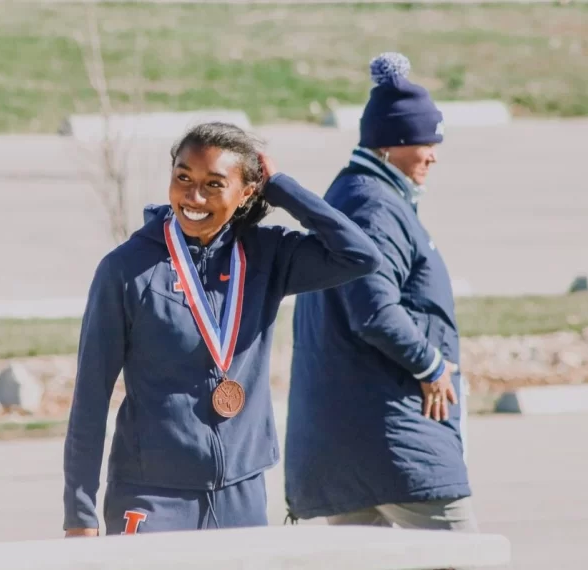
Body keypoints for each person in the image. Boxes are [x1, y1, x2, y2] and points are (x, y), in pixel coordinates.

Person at [63, 121, 384, 536]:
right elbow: (90, 397)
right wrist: (80, 515)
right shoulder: (126, 270)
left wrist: (282, 187)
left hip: (242, 493)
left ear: (247, 191)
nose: (193, 197)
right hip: (153, 495)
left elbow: (360, 256)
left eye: (214, 184)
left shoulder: (267, 256)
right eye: (183, 178)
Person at [283, 52, 478, 532]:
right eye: (423, 141)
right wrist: (430, 365)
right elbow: (373, 310)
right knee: (462, 554)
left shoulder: (359, 196)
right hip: (392, 438)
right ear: (388, 145)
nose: (433, 153)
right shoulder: (373, 207)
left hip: (352, 439)